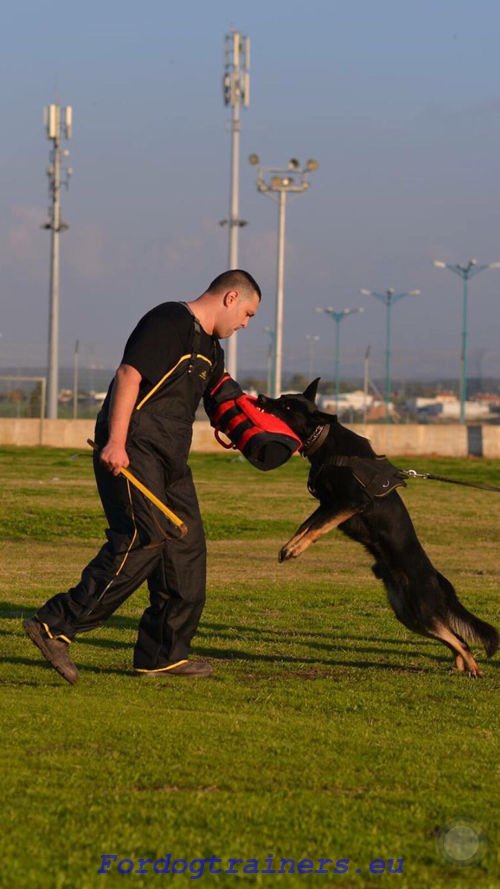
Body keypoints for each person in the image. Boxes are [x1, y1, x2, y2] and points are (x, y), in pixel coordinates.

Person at [24, 270, 261, 684]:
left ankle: (161, 654)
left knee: (186, 548)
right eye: (248, 313)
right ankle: (55, 624)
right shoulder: (168, 320)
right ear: (230, 298)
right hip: (134, 446)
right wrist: (115, 442)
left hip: (171, 459)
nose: (245, 323)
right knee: (141, 537)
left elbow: (223, 398)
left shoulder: (211, 349)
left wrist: (264, 424)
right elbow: (127, 377)